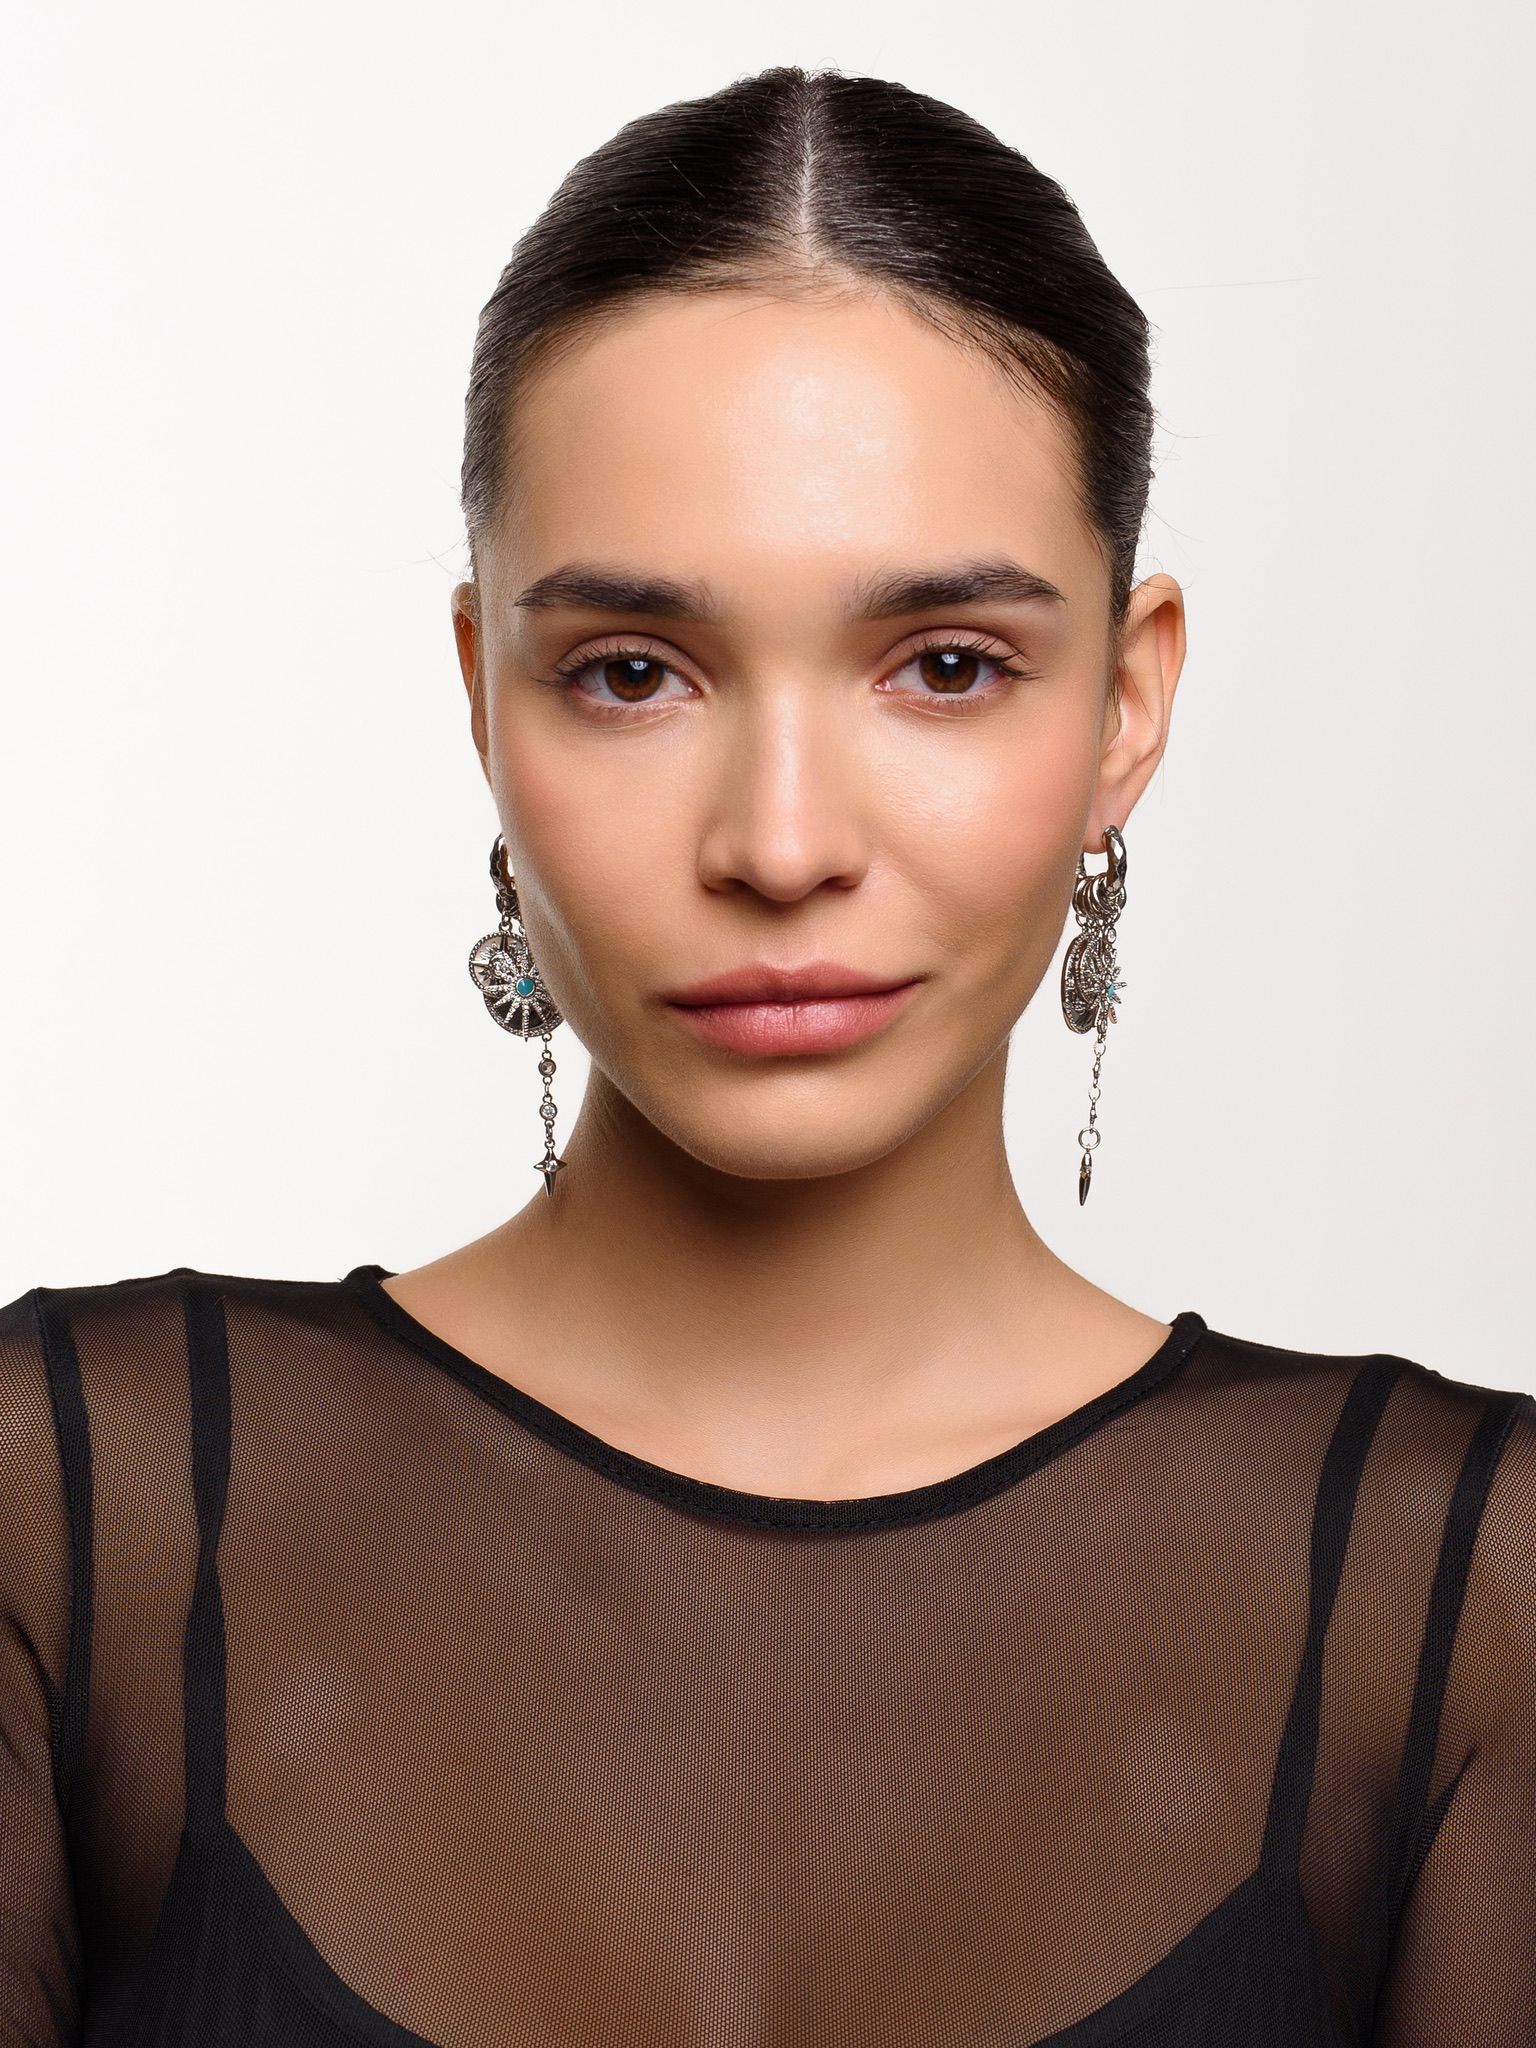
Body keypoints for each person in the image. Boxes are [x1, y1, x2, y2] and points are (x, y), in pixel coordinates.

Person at [1, 65, 1530, 2048]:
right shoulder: (77, 1512)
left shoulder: (1457, 1592)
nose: (782, 842)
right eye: (633, 672)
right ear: (484, 699)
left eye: (946, 666)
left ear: (1127, 704)